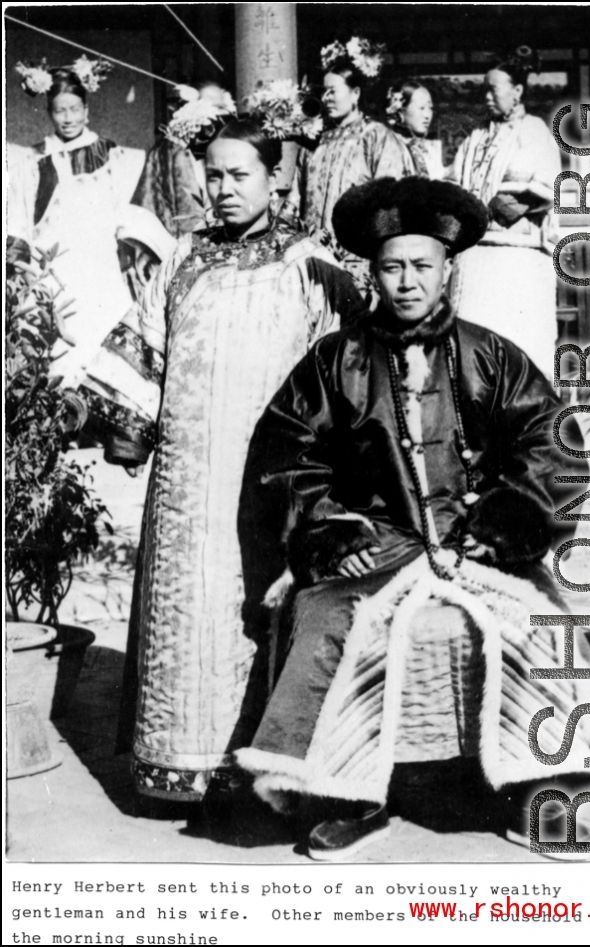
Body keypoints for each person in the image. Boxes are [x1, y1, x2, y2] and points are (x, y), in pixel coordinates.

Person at [236, 177, 590, 861]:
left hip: (474, 538)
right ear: (373, 273)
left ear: (447, 270)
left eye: (422, 266)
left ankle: (541, 788)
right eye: (392, 267)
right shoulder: (338, 360)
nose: (406, 282)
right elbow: (285, 449)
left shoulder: (489, 354)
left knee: (542, 620)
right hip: (378, 542)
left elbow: (552, 441)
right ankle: (349, 795)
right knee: (330, 620)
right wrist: (329, 525)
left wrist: (514, 513)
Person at [70, 120, 364, 805]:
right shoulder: (182, 259)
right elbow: (144, 357)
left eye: (241, 175)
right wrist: (101, 422)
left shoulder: (309, 265)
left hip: (273, 484)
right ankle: (179, 769)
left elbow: (343, 375)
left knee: (257, 617)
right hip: (185, 489)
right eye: (215, 174)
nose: (225, 188)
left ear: (274, 178)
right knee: (188, 618)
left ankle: (263, 779)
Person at [8, 61, 145, 387]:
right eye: (59, 111)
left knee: (103, 340)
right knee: (56, 347)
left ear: (87, 109)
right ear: (49, 112)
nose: (67, 118)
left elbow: (128, 213)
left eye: (73, 109)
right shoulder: (34, 159)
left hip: (100, 265)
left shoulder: (114, 155)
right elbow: (21, 217)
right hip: (54, 267)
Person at [447, 49, 561, 372]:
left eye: (493, 89)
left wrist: (487, 212)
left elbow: (541, 191)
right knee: (471, 352)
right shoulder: (475, 137)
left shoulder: (534, 132)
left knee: (513, 352)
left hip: (515, 260)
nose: (486, 97)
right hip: (474, 259)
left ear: (518, 91)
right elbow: (454, 185)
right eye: (483, 89)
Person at [289, 37, 412, 293]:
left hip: (359, 265)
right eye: (324, 91)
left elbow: (393, 204)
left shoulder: (376, 136)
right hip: (311, 262)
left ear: (355, 93)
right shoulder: (313, 142)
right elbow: (294, 201)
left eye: (333, 90)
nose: (327, 98)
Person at [131, 80, 236, 237]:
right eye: (214, 110)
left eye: (223, 111)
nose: (219, 120)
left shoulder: (221, 148)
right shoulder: (173, 153)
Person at [386, 78, 445, 180]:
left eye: (430, 108)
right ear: (401, 109)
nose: (427, 115)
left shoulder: (430, 148)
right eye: (421, 108)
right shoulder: (388, 146)